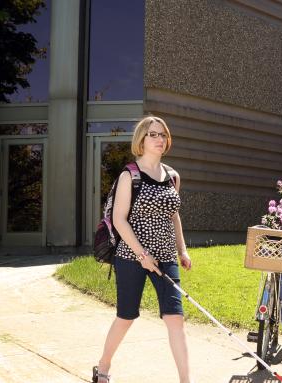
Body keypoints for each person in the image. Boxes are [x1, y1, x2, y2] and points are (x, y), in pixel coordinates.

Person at [93, 116, 193, 383]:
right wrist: (142, 255)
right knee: (126, 316)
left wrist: (182, 250)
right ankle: (103, 366)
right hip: (130, 256)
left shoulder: (172, 176)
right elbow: (119, 220)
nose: (159, 139)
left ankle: (186, 381)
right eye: (153, 134)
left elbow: (174, 215)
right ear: (141, 139)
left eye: (163, 135)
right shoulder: (130, 175)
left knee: (175, 318)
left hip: (165, 256)